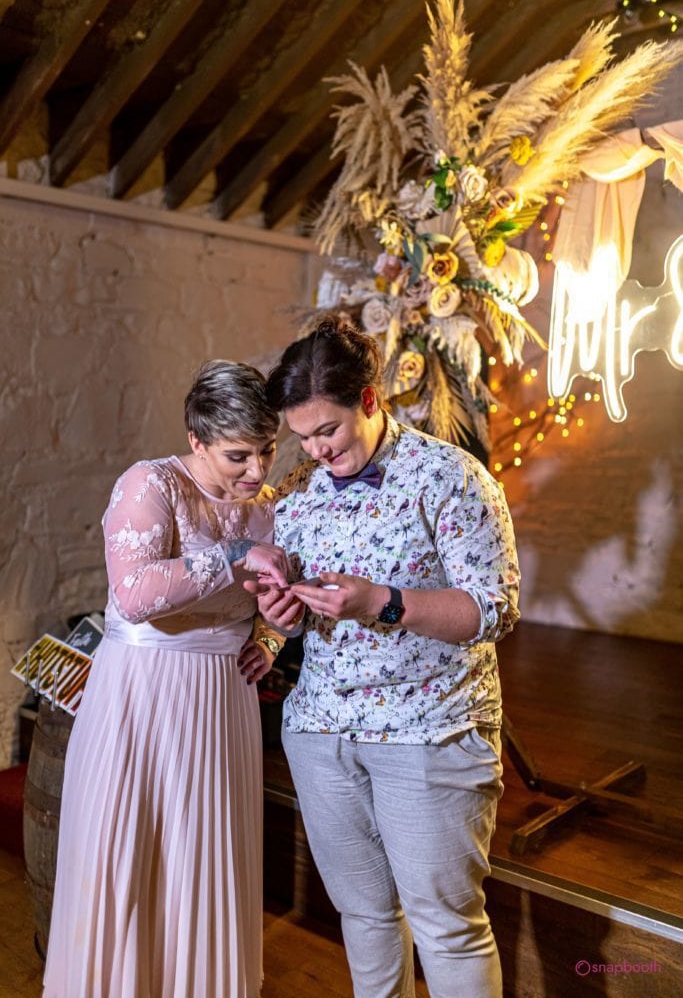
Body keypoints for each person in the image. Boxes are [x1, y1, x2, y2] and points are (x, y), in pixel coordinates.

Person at [255, 317, 520, 998]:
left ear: (369, 399)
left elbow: (493, 610)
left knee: (447, 926)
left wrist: (382, 601)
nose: (316, 450)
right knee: (364, 914)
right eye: (303, 436)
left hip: (430, 731)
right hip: (320, 733)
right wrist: (281, 618)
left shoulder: (450, 478)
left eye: (327, 430)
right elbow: (294, 617)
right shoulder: (300, 494)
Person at [43, 360, 290, 998]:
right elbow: (134, 594)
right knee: (130, 851)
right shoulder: (150, 484)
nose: (257, 471)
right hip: (143, 692)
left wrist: (270, 637)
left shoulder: (266, 508)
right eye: (239, 456)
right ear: (196, 440)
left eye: (267, 450)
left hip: (224, 700)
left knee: (206, 859)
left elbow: (272, 599)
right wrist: (234, 554)